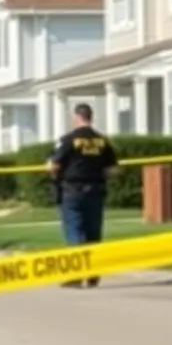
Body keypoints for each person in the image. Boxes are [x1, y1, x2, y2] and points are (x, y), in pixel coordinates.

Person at [46, 103, 118, 288]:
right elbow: (113, 170)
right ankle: (93, 274)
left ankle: (76, 275)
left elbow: (54, 165)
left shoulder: (68, 140)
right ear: (90, 117)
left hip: (73, 191)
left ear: (76, 117)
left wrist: (49, 168)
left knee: (74, 232)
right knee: (94, 232)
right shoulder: (102, 141)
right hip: (96, 190)